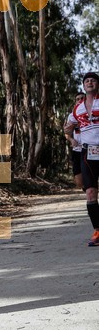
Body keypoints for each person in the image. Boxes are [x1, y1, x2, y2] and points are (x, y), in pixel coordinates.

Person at [64, 72, 99, 246]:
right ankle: (98, 230)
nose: (90, 82)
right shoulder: (77, 109)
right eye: (87, 81)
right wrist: (71, 137)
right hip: (88, 154)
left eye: (93, 80)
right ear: (84, 86)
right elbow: (67, 128)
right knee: (90, 193)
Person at [65, 92, 85, 189]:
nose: (80, 100)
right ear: (75, 102)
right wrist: (71, 139)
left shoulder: (92, 112)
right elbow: (66, 133)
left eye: (82, 98)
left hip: (90, 150)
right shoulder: (71, 116)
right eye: (78, 99)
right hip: (77, 150)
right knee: (79, 183)